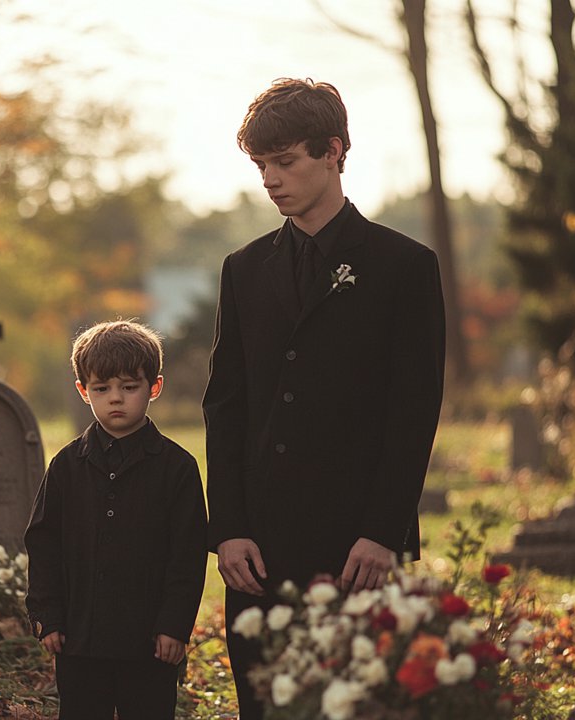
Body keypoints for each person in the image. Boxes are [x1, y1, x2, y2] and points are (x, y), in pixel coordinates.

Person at [203, 78, 446, 718]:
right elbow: (225, 405)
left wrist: (382, 532)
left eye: (285, 162)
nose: (270, 180)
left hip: (356, 548)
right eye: (261, 165)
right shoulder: (243, 269)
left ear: (334, 151)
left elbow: (414, 411)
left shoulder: (404, 266)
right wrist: (228, 529)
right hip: (258, 548)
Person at [25, 320, 208, 720]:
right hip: (79, 640)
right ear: (83, 391)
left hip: (151, 644)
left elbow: (188, 555)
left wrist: (174, 626)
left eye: (129, 387)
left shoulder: (177, 468)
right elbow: (43, 543)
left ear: (154, 387)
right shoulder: (66, 466)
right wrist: (47, 616)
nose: (115, 398)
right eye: (101, 388)